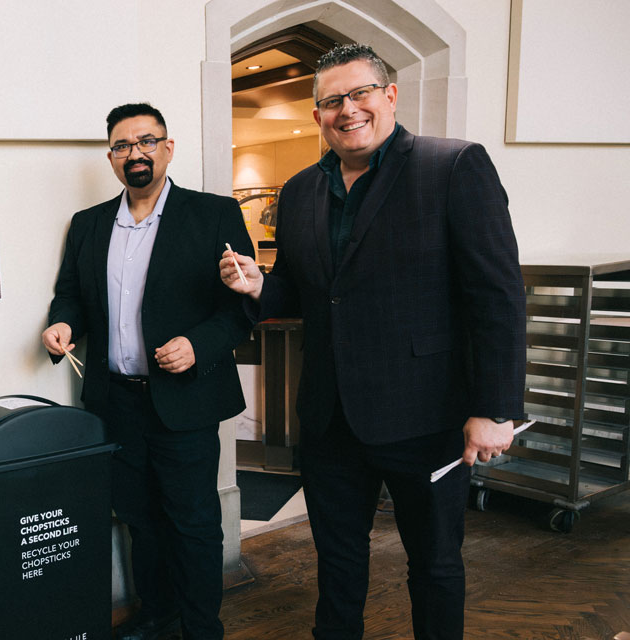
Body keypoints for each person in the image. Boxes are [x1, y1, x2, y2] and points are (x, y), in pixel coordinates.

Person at [221, 43, 527, 639]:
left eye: (360, 93)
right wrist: (260, 285)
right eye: (332, 101)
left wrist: (494, 409)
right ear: (317, 116)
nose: (347, 109)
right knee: (337, 564)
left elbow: (498, 296)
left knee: (435, 566)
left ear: (389, 96)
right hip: (332, 418)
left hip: (427, 416)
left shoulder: (455, 166)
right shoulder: (302, 189)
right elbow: (308, 291)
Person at [43, 103, 254, 640]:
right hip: (117, 401)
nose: (134, 153)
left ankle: (203, 626)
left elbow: (242, 310)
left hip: (186, 400)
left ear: (167, 147)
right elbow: (71, 295)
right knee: (139, 518)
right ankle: (157, 614)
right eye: (121, 145)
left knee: (194, 523)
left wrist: (197, 345)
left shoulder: (214, 215)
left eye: (145, 141)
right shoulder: (89, 225)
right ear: (111, 156)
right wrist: (61, 325)